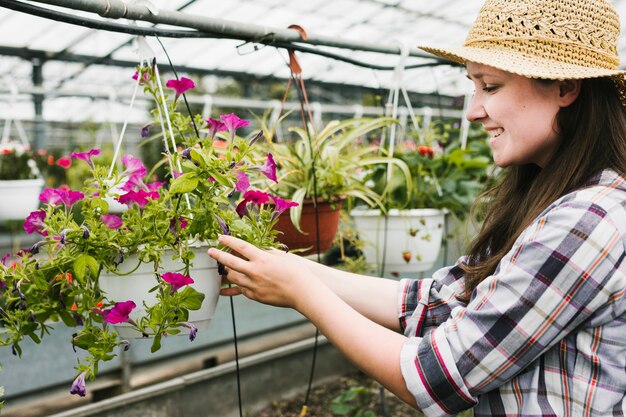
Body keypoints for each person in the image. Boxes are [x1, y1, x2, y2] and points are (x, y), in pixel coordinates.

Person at [208, 0, 626, 415]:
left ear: (566, 88)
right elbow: (441, 302)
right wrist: (294, 268)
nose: (472, 111)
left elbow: (434, 376)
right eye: (473, 86)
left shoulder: (588, 220)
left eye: (491, 86)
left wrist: (302, 292)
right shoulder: (558, 198)